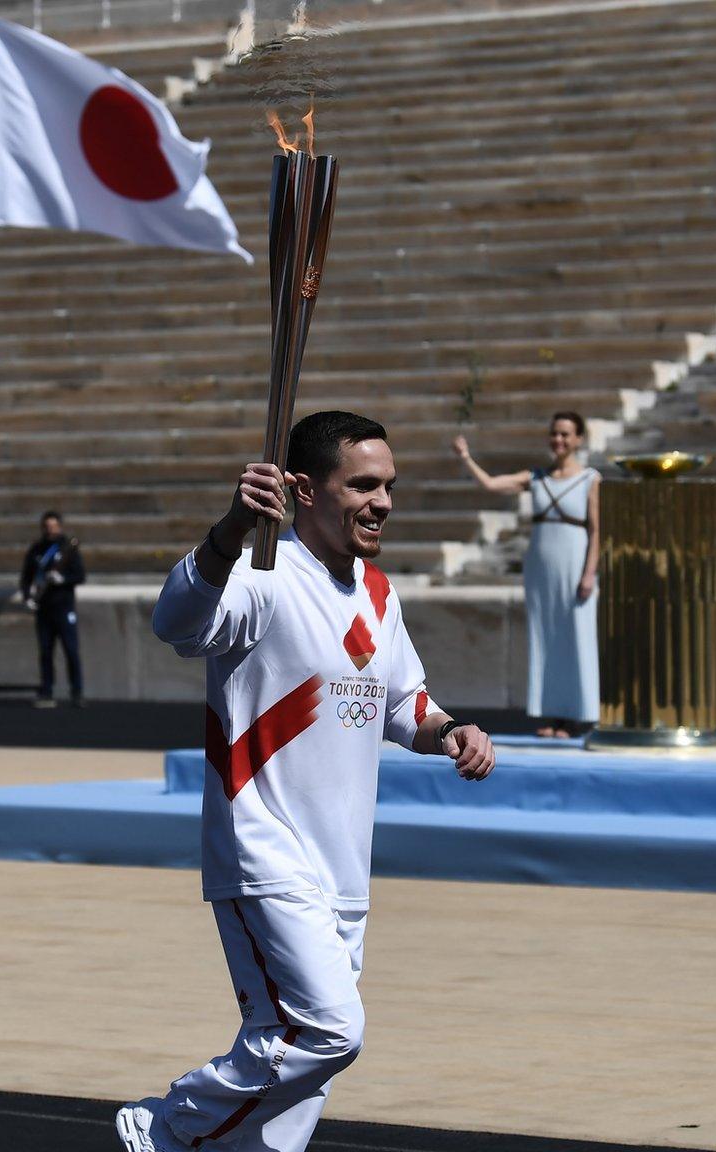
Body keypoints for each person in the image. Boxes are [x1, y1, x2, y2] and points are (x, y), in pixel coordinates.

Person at [118, 411, 497, 1152]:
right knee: (327, 1030)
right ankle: (165, 1128)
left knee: (296, 1067)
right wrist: (229, 533)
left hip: (343, 868)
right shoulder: (263, 576)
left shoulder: (379, 596)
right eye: (361, 485)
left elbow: (404, 704)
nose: (382, 501)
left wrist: (452, 731)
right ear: (302, 490)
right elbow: (177, 622)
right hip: (264, 850)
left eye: (388, 486)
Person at [452, 411, 600, 738]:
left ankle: (577, 717)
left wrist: (590, 572)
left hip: (575, 563)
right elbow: (491, 484)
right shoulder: (536, 477)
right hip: (541, 566)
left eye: (565, 434)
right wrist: (466, 457)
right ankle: (550, 713)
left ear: (578, 439)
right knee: (544, 635)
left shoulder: (590, 479)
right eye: (554, 434)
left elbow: (596, 529)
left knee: (575, 636)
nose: (558, 440)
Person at [19, 510, 86, 707]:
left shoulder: (67, 548)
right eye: (46, 527)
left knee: (71, 650)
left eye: (53, 526)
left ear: (59, 526)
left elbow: (80, 575)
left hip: (63, 607)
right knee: (46, 651)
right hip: (44, 609)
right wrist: (27, 596)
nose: (50, 530)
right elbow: (25, 577)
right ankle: (46, 691)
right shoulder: (37, 550)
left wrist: (63, 579)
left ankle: (77, 691)